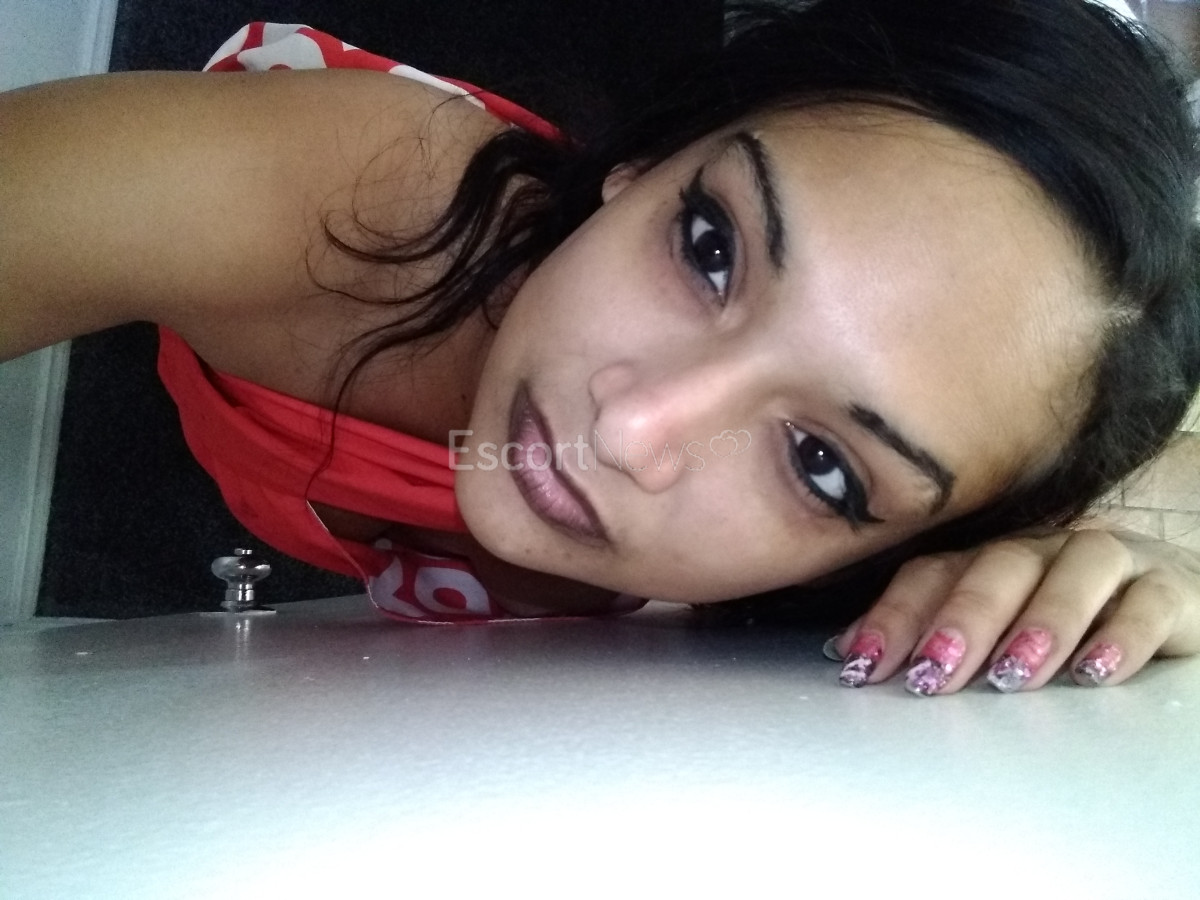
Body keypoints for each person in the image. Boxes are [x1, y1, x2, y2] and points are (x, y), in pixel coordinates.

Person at [2, 0, 1199, 696]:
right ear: (644, 164)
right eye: (710, 246)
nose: (631, 430)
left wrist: (1110, 585)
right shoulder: (335, 201)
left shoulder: (893, 549)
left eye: (823, 465)